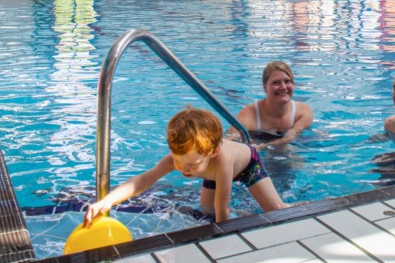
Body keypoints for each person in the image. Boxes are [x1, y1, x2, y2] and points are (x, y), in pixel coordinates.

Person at [84, 106, 289, 225]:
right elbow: (143, 180)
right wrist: (107, 201)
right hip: (210, 171)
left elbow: (223, 211)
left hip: (247, 165)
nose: (184, 169)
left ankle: (302, 208)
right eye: (179, 161)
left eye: (191, 164)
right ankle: (247, 214)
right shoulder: (185, 157)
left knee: (276, 210)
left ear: (212, 152)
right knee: (205, 211)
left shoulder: (222, 161)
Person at [227, 61, 314, 150]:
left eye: (287, 81)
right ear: (265, 88)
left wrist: (263, 147)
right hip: (258, 140)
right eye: (276, 83)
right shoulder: (250, 114)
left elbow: (290, 138)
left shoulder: (303, 112)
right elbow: (230, 140)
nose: (283, 87)